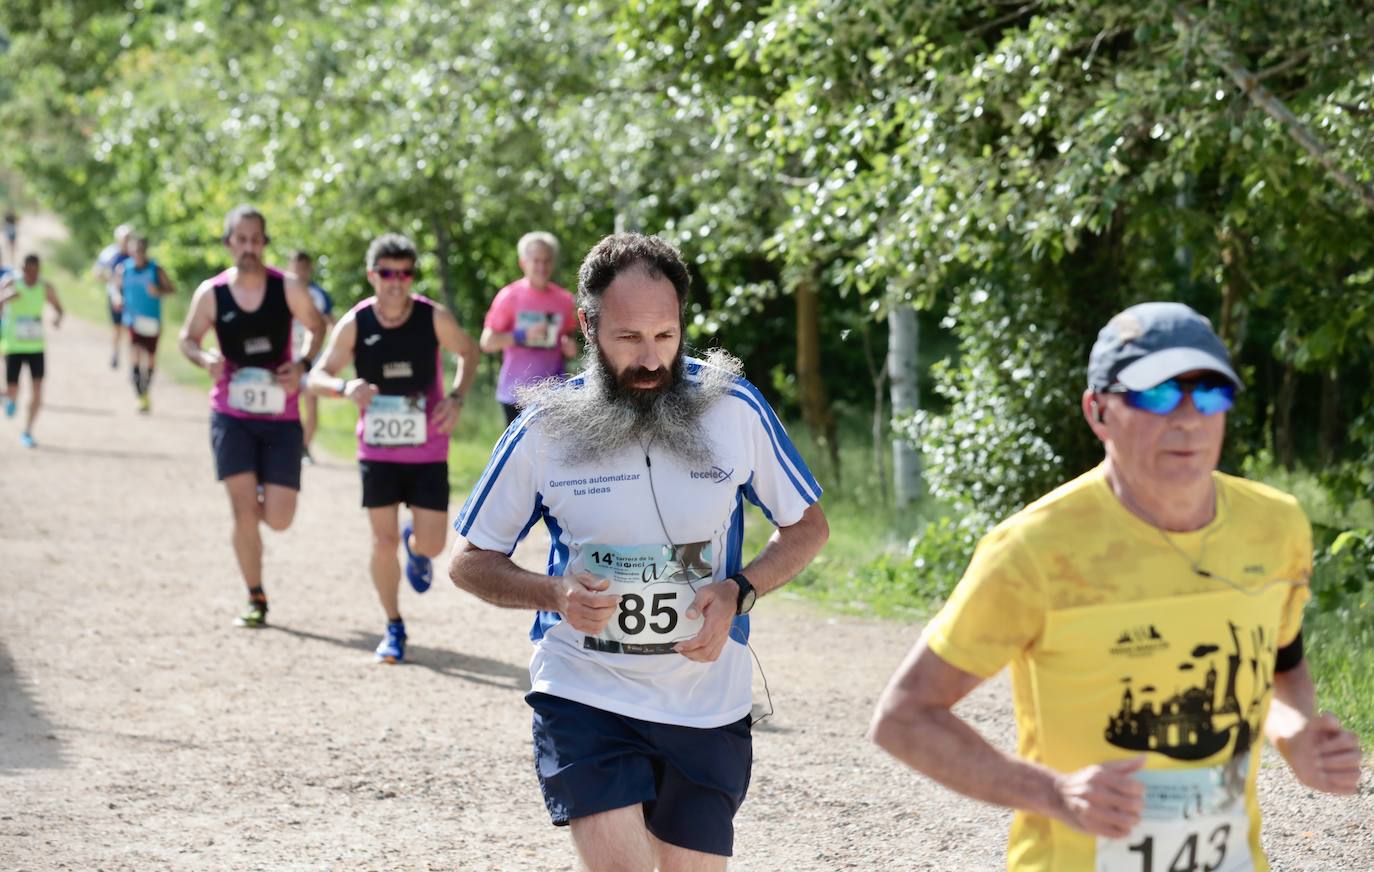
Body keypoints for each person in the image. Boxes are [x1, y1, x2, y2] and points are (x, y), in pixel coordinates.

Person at [869, 302, 1363, 871]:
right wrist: (1054, 794)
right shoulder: (1035, 549)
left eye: (1209, 394)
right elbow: (904, 716)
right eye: (1155, 395)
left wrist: (1294, 731)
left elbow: (1280, 665)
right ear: (1098, 411)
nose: (1186, 418)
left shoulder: (1275, 526)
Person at [449, 232, 830, 871]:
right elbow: (470, 560)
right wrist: (553, 594)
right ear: (588, 326)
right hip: (585, 688)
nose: (651, 360)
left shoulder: (734, 409)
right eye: (628, 338)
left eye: (665, 336)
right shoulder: (546, 427)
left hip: (707, 701)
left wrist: (740, 591)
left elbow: (808, 527)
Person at [308, 233, 478, 663]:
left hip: (427, 451)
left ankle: (416, 545)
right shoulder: (356, 322)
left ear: (411, 277)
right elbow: (316, 376)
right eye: (387, 273)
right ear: (373, 276)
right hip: (377, 451)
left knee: (436, 546)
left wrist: (455, 398)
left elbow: (468, 351)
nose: (395, 282)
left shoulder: (431, 317)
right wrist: (345, 387)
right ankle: (393, 625)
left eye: (404, 273)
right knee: (381, 543)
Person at [178, 205, 325, 628]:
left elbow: (316, 327)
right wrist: (203, 357)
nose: (248, 247)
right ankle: (255, 596)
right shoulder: (212, 292)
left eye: (255, 240)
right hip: (231, 413)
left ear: (264, 243)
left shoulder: (288, 288)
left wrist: (300, 364)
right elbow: (187, 338)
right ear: (228, 243)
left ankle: (264, 494)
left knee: (279, 519)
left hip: (279, 415)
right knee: (243, 512)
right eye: (240, 240)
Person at [480, 231, 579, 424]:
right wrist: (523, 335)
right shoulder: (509, 296)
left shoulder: (564, 300)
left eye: (547, 260)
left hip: (553, 395)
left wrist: (569, 347)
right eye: (536, 261)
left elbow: (568, 338)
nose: (541, 267)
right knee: (520, 454)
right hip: (515, 394)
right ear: (523, 263)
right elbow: (487, 342)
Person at [0, 254, 64, 448]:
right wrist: (5, 298)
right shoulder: (12, 282)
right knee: (13, 390)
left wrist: (57, 318)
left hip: (36, 347)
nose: (30, 275)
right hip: (14, 346)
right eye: (27, 271)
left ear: (39, 270)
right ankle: (8, 398)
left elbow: (59, 308)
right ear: (22, 269)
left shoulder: (45, 287)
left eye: (34, 271)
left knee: (37, 391)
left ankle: (27, 431)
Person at [113, 234, 175, 412]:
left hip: (152, 321)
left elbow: (171, 289)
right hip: (132, 319)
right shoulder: (123, 269)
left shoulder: (156, 269)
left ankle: (145, 392)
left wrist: (159, 291)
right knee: (134, 354)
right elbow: (116, 288)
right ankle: (139, 393)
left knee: (150, 359)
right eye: (134, 250)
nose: (137, 253)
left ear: (145, 251)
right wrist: (118, 298)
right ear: (130, 251)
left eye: (140, 250)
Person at [289, 250, 335, 463]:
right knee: (287, 404)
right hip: (287, 357)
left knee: (310, 404)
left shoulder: (319, 295)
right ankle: (286, 445)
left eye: (304, 268)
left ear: (310, 269)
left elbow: (332, 323)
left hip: (312, 359)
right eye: (297, 267)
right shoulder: (283, 290)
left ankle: (305, 447)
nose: (300, 272)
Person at [94, 224, 134, 369]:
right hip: (115, 294)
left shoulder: (134, 253)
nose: (127, 241)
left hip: (132, 296)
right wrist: (111, 280)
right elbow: (97, 273)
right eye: (125, 238)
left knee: (130, 328)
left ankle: (132, 361)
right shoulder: (110, 253)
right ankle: (115, 353)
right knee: (117, 327)